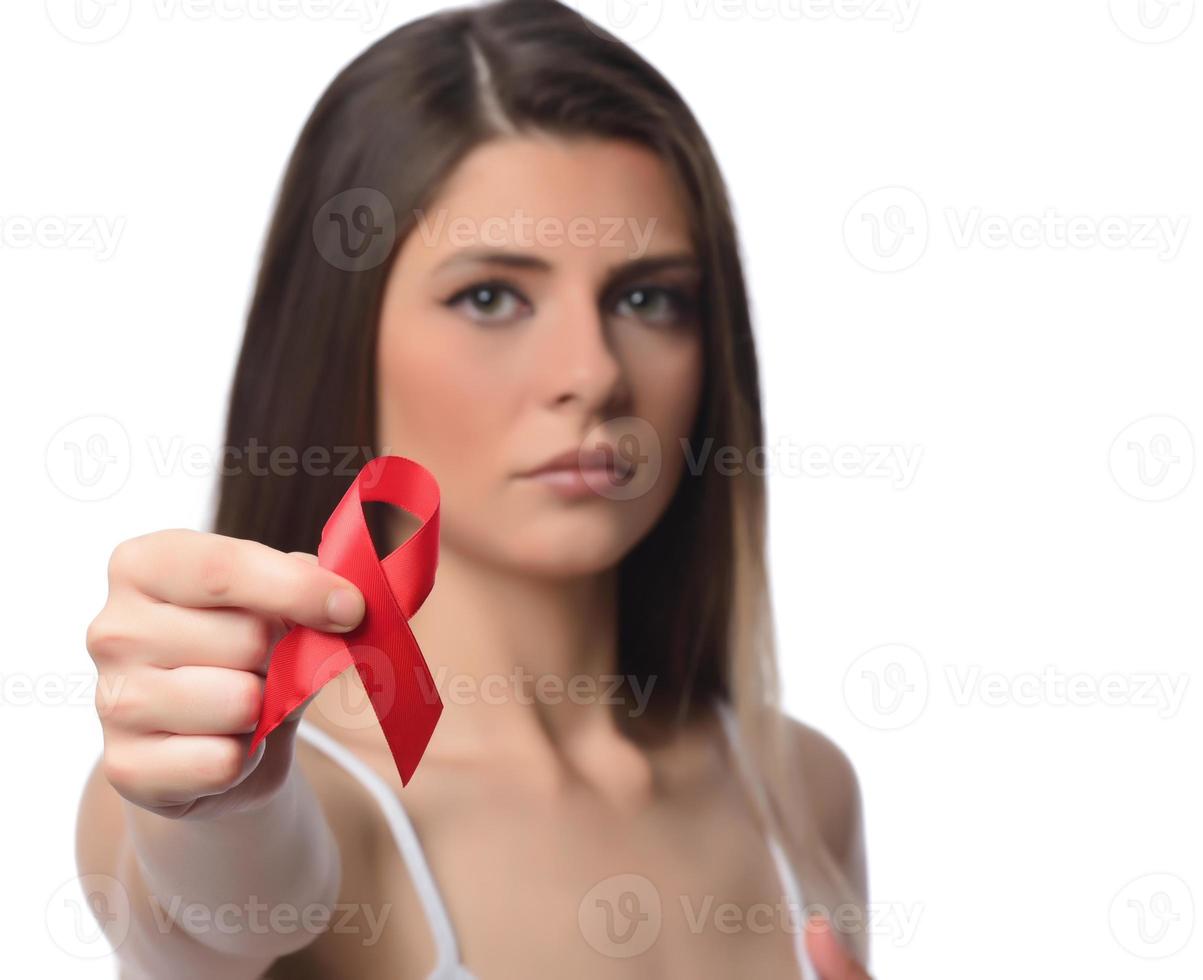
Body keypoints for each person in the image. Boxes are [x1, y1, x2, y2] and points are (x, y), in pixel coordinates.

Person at [75, 0, 870, 975]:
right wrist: (214, 799)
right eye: (489, 295)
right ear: (340, 338)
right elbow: (213, 906)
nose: (592, 371)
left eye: (645, 297)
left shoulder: (800, 786)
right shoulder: (300, 795)